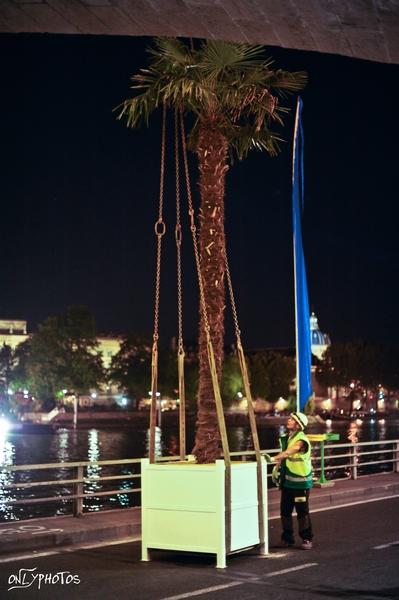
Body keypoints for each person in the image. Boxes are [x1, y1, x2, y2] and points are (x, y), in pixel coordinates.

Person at [272, 412, 314, 550]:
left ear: (298, 425)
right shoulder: (289, 438)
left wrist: (273, 458)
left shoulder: (301, 440)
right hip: (288, 482)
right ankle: (287, 539)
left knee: (302, 512)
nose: (288, 420)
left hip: (300, 483)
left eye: (292, 419)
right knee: (285, 511)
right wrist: (276, 469)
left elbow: (291, 451)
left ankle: (307, 539)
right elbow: (286, 456)